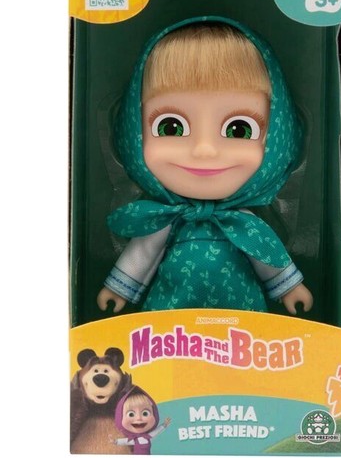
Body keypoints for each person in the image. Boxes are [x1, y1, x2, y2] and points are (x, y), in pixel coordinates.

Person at [97, 19, 313, 314]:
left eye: (239, 130)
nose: (204, 150)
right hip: (169, 322)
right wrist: (118, 289)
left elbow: (266, 255)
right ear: (134, 131)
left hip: (243, 322)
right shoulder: (165, 222)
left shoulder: (245, 224)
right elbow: (142, 254)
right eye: (170, 127)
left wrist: (289, 288)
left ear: (277, 134)